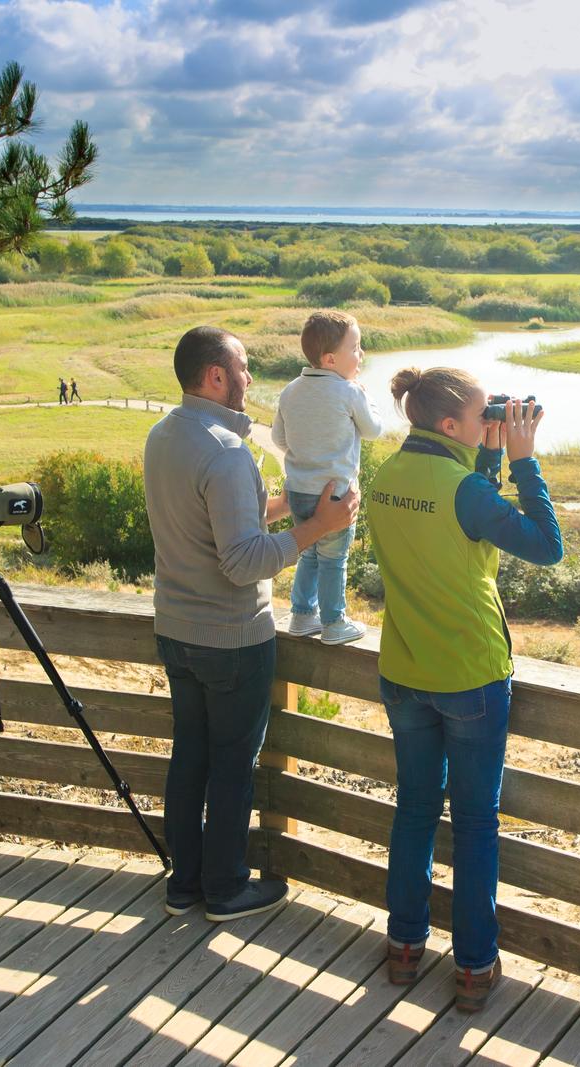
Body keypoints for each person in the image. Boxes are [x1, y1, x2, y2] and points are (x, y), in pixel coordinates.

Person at [144, 325, 358, 922]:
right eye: (242, 367)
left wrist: (286, 507)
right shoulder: (227, 452)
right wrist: (320, 527)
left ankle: (184, 885)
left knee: (190, 759)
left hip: (176, 631)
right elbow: (241, 562)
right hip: (231, 641)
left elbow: (212, 517)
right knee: (233, 767)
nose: (249, 376)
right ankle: (226, 889)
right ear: (216, 376)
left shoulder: (165, 434)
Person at [365, 367, 562, 1013]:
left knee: (416, 809)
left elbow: (456, 508)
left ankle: (403, 946)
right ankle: (474, 967)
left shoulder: (386, 478)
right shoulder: (464, 491)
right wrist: (524, 460)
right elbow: (547, 546)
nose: (492, 422)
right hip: (471, 676)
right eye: (484, 416)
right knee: (475, 823)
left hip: (404, 671)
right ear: (451, 425)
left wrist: (489, 454)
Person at [270, 310, 384, 645]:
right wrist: (366, 396)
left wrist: (308, 450)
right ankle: (334, 622)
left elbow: (278, 439)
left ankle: (302, 615)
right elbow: (374, 430)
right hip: (336, 496)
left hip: (298, 492)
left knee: (308, 552)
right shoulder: (349, 392)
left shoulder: (291, 390)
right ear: (330, 359)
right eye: (356, 348)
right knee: (335, 560)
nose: (361, 354)